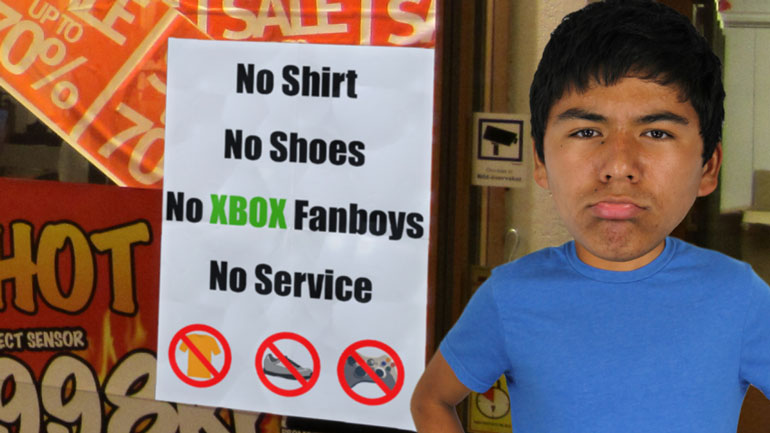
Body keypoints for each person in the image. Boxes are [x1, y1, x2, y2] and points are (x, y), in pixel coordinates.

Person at [410, 1, 770, 432]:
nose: (618, 166)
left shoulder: (739, 296)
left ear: (708, 167)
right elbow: (431, 400)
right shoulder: (510, 295)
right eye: (586, 131)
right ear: (541, 161)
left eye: (656, 132)